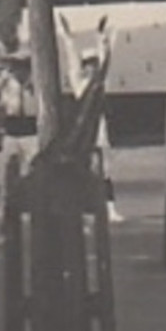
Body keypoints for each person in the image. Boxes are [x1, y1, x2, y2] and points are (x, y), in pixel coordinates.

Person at [60, 16, 126, 224]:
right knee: (81, 169)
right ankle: (79, 209)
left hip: (99, 127)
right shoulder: (79, 82)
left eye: (92, 63)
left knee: (105, 170)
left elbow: (106, 57)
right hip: (82, 128)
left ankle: (110, 208)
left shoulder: (99, 82)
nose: (90, 66)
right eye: (87, 63)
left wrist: (101, 37)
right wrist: (67, 36)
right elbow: (71, 58)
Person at [0, 29, 39, 249]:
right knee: (8, 185)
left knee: (36, 181)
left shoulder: (36, 84)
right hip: (11, 134)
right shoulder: (5, 81)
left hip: (31, 134)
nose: (18, 69)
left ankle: (41, 230)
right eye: (16, 65)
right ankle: (6, 231)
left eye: (22, 65)